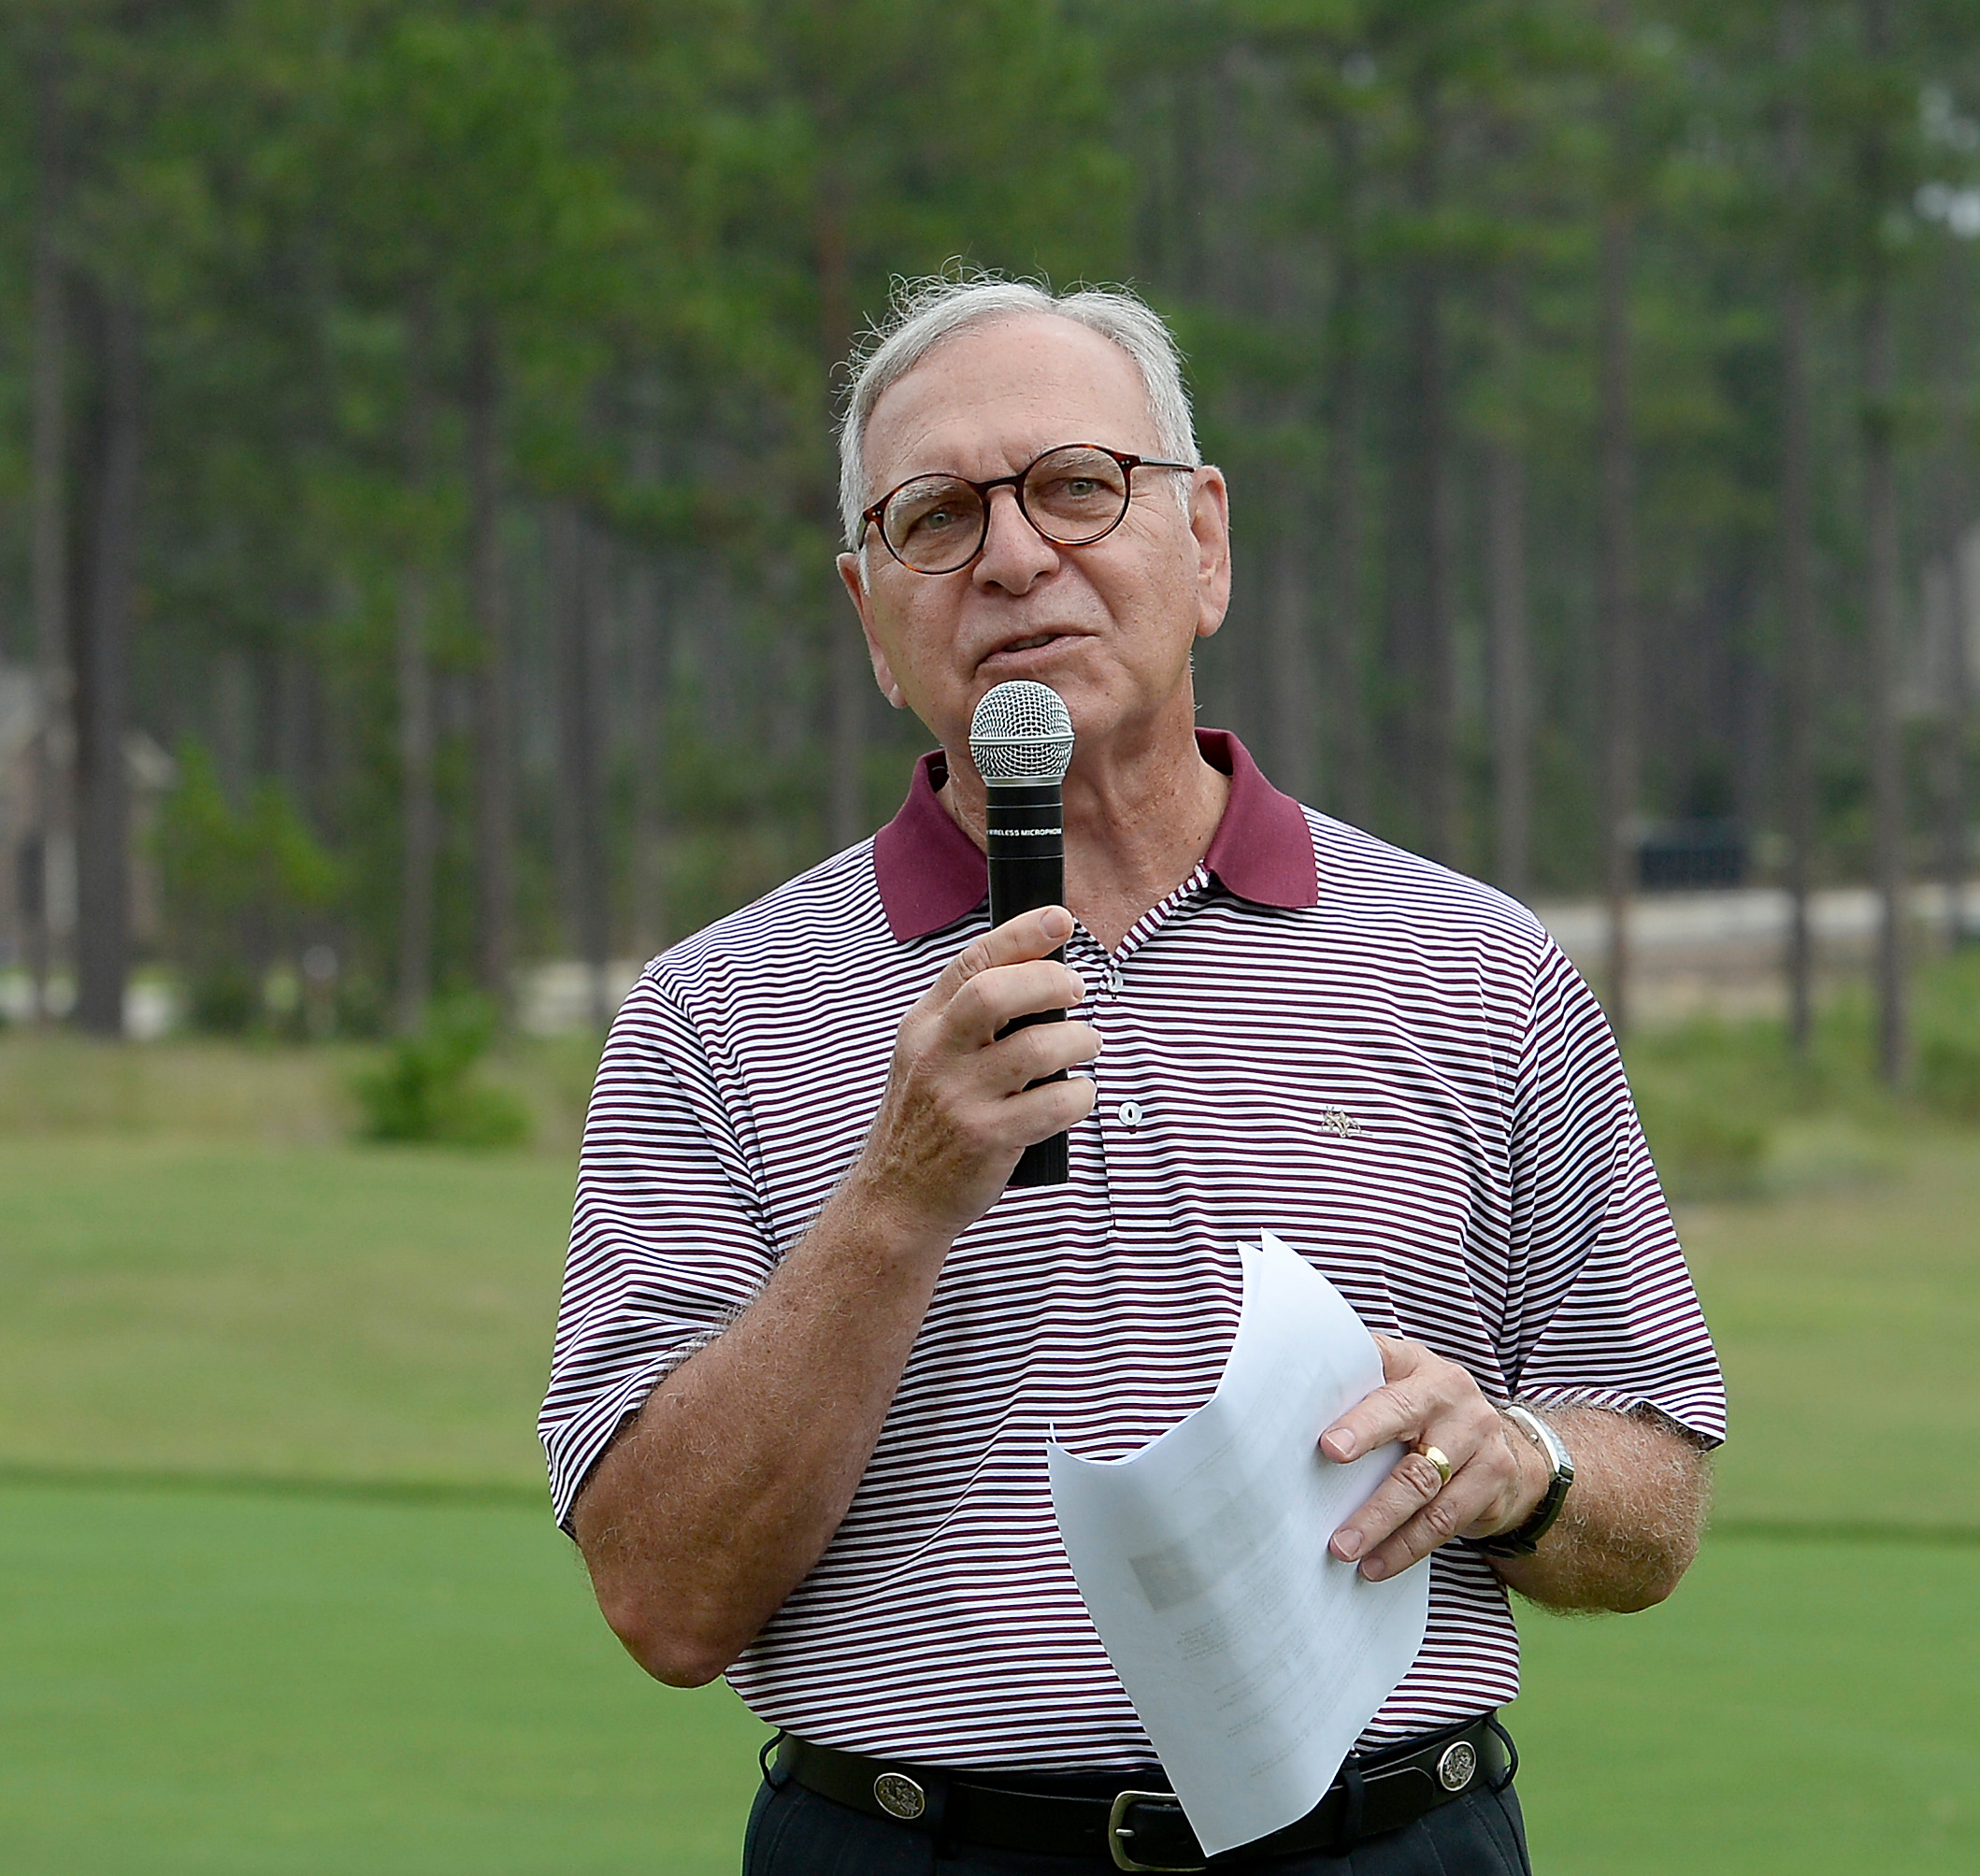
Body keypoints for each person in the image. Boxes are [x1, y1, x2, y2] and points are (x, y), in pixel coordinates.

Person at [541, 274, 1727, 1875]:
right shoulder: (713, 1008)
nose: (1017, 555)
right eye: (938, 516)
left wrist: (1518, 1466)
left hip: (1383, 1845)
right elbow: (661, 1599)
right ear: (869, 613)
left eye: (1079, 487)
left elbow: (1654, 1497)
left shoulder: (1477, 962)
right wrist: (896, 1197)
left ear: (1206, 541)